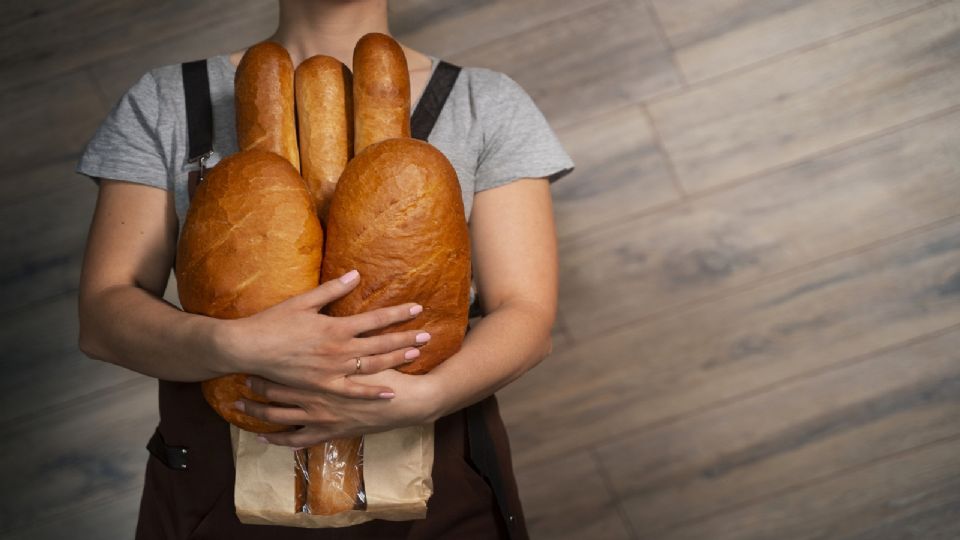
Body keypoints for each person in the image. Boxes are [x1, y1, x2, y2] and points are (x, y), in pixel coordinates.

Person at [76, 0, 573, 538]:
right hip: (218, 493)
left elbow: (525, 316)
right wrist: (235, 346)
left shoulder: (487, 104)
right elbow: (104, 318)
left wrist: (423, 397)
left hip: (437, 487)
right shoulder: (170, 100)